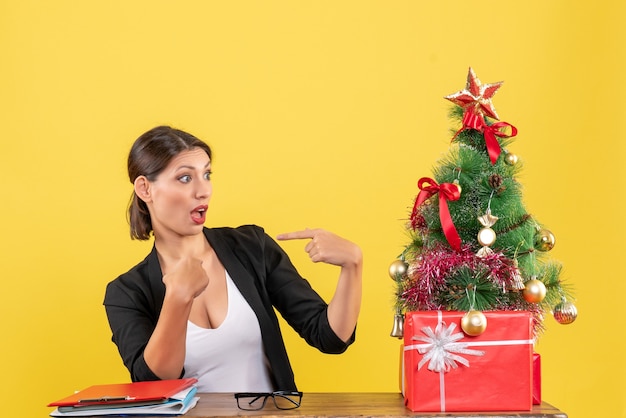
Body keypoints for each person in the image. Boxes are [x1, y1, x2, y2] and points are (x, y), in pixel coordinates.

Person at [103, 125, 363, 393]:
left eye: (207, 174)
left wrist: (352, 265)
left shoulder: (252, 248)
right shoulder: (126, 293)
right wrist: (177, 298)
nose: (203, 191)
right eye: (185, 178)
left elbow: (330, 338)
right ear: (145, 189)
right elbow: (154, 385)